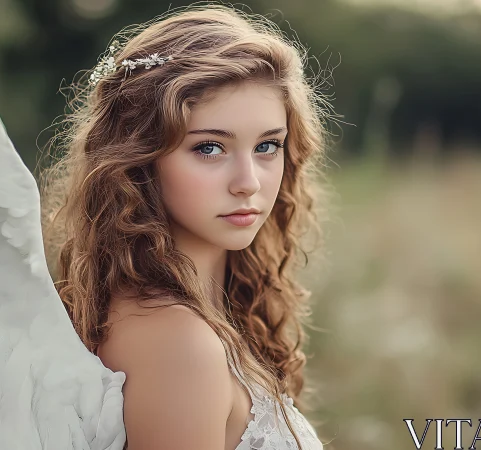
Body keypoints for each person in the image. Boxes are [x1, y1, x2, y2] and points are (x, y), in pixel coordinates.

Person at [38, 3, 338, 449]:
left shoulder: (208, 314)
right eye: (210, 148)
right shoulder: (178, 343)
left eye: (267, 146)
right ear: (139, 158)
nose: (249, 182)